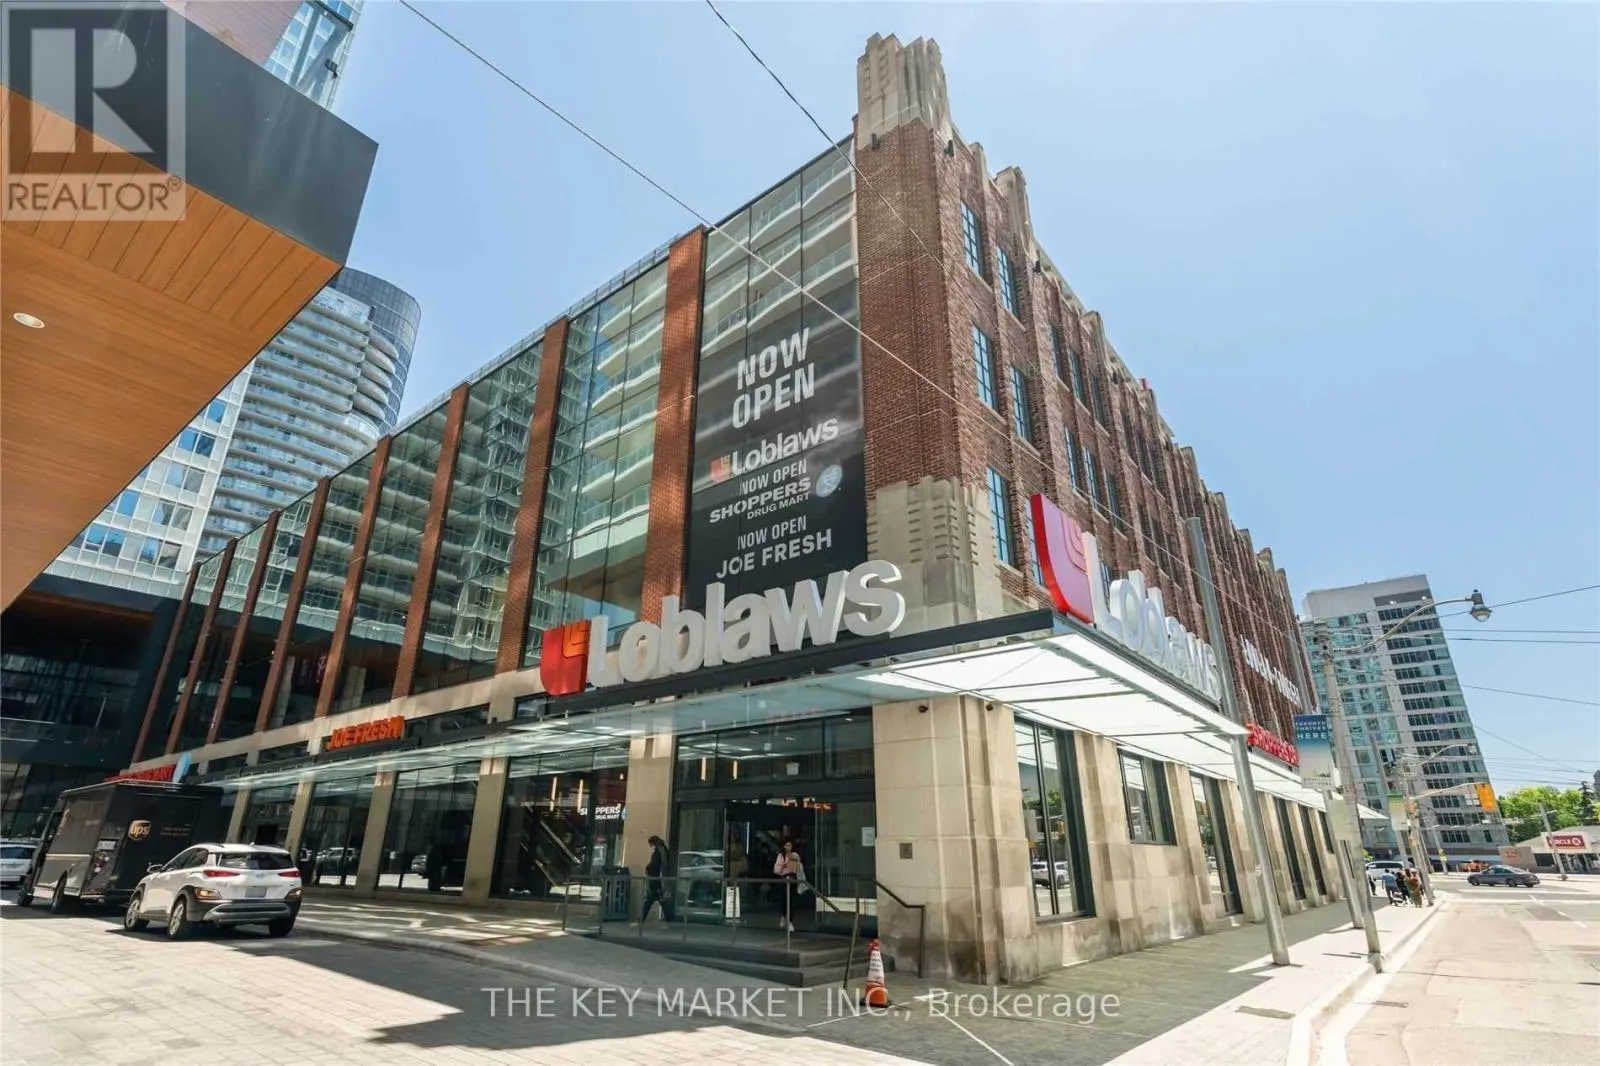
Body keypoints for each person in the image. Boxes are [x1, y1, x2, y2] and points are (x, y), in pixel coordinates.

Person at [774, 839, 805, 932]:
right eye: (786, 845)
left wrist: (796, 863)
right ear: (783, 846)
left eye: (790, 845)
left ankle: (790, 921)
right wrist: (783, 866)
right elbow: (776, 870)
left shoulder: (795, 855)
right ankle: (783, 916)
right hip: (784, 879)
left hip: (793, 879)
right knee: (784, 900)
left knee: (791, 901)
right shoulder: (781, 856)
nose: (788, 847)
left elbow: (799, 867)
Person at [643, 835, 673, 923]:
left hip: (656, 879)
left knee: (650, 900)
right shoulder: (664, 851)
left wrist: (648, 868)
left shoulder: (658, 853)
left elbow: (655, 866)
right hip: (661, 879)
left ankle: (642, 918)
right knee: (661, 900)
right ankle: (669, 918)